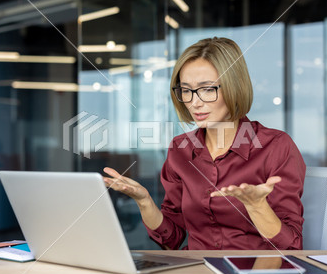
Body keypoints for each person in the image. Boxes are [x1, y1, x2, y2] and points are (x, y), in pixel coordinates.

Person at [103, 37, 305, 250]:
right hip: (196, 272)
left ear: (233, 86)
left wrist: (257, 207)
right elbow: (172, 239)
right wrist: (144, 201)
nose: (195, 102)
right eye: (186, 90)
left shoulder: (276, 147)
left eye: (208, 89)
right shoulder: (180, 150)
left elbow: (291, 247)